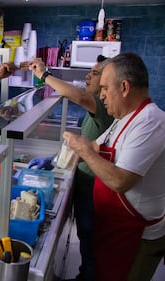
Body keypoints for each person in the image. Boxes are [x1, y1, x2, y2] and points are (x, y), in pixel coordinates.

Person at [63, 52, 165, 281]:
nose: (102, 95)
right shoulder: (123, 119)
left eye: (106, 88)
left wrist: (84, 151)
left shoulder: (149, 122)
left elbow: (121, 181)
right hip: (115, 227)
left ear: (125, 87)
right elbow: (95, 147)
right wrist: (62, 159)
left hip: (138, 236)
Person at [22, 55, 114, 281]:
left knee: (91, 239)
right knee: (86, 238)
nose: (87, 76)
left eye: (94, 74)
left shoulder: (100, 104)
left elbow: (79, 96)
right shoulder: (98, 106)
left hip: (94, 187)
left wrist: (44, 75)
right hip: (86, 182)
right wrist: (54, 160)